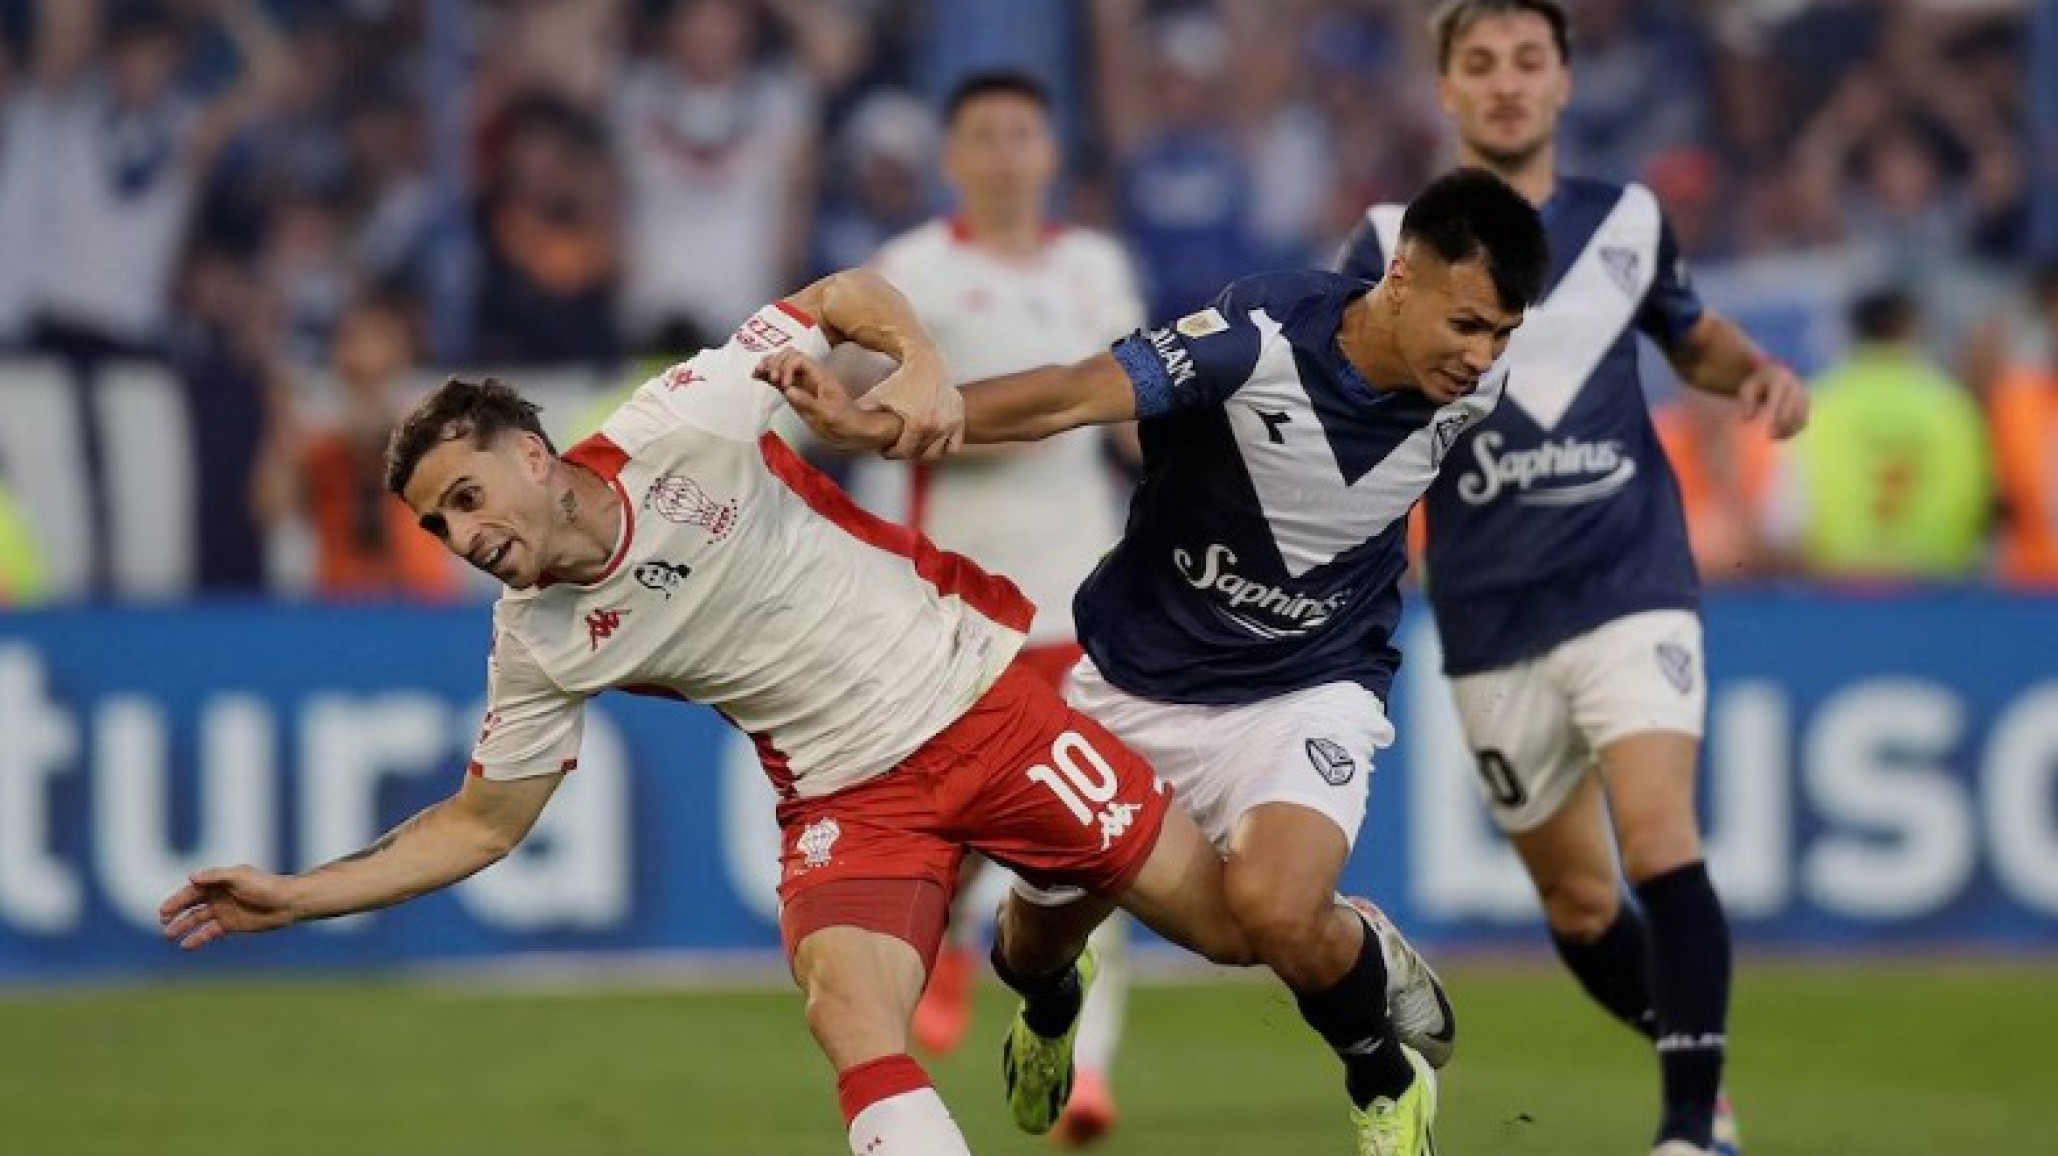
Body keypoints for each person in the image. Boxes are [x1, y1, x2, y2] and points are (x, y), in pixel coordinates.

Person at [157, 268, 1283, 1156]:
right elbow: (483, 823)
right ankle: (1041, 965)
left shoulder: (677, 420)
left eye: (464, 496)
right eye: (435, 525)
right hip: (848, 796)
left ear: (535, 459)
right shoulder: (534, 639)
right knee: (849, 1017)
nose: (459, 535)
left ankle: (1065, 975)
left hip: (973, 696)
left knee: (1237, 931)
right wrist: (296, 895)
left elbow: (841, 297)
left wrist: (921, 359)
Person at [772, 166, 1549, 1156]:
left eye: (1502, 335)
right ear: (1402, 280)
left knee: (1272, 907)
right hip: (1134, 682)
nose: (1480, 357)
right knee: (1027, 945)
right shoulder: (1253, 341)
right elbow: (1065, 395)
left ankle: (1382, 1076)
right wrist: (881, 422)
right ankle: (1053, 1003)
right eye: (1467, 324)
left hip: (1309, 686)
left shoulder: (1480, 392)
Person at [1334, 5, 1810, 1155]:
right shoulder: (1390, 240)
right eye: (1480, 65)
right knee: (1583, 908)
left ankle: (1690, 1130)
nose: (1505, 84)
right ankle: (1700, 1066)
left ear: (1563, 83)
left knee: (1659, 840)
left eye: (1527, 62)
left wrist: (1753, 371)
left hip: (1628, 578)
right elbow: (1345, 392)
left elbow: (1687, 334)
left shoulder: (1629, 221)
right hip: (1491, 618)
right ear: (1445, 91)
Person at [853, 69, 1146, 1146]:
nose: (1006, 153)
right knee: (968, 820)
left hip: (1081, 596)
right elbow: (859, 416)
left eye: (1023, 132)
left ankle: (1091, 1065)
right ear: (953, 157)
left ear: (1050, 150)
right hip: (955, 606)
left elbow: (1125, 410)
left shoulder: (1095, 265)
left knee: (1090, 837)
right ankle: (956, 942)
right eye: (984, 135)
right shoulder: (909, 273)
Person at [1784, 288, 1990, 582]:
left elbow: (1794, 501)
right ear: (1912, 327)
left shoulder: (1819, 401)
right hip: (1933, 588)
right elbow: (1969, 494)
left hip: (1839, 587)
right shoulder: (1949, 404)